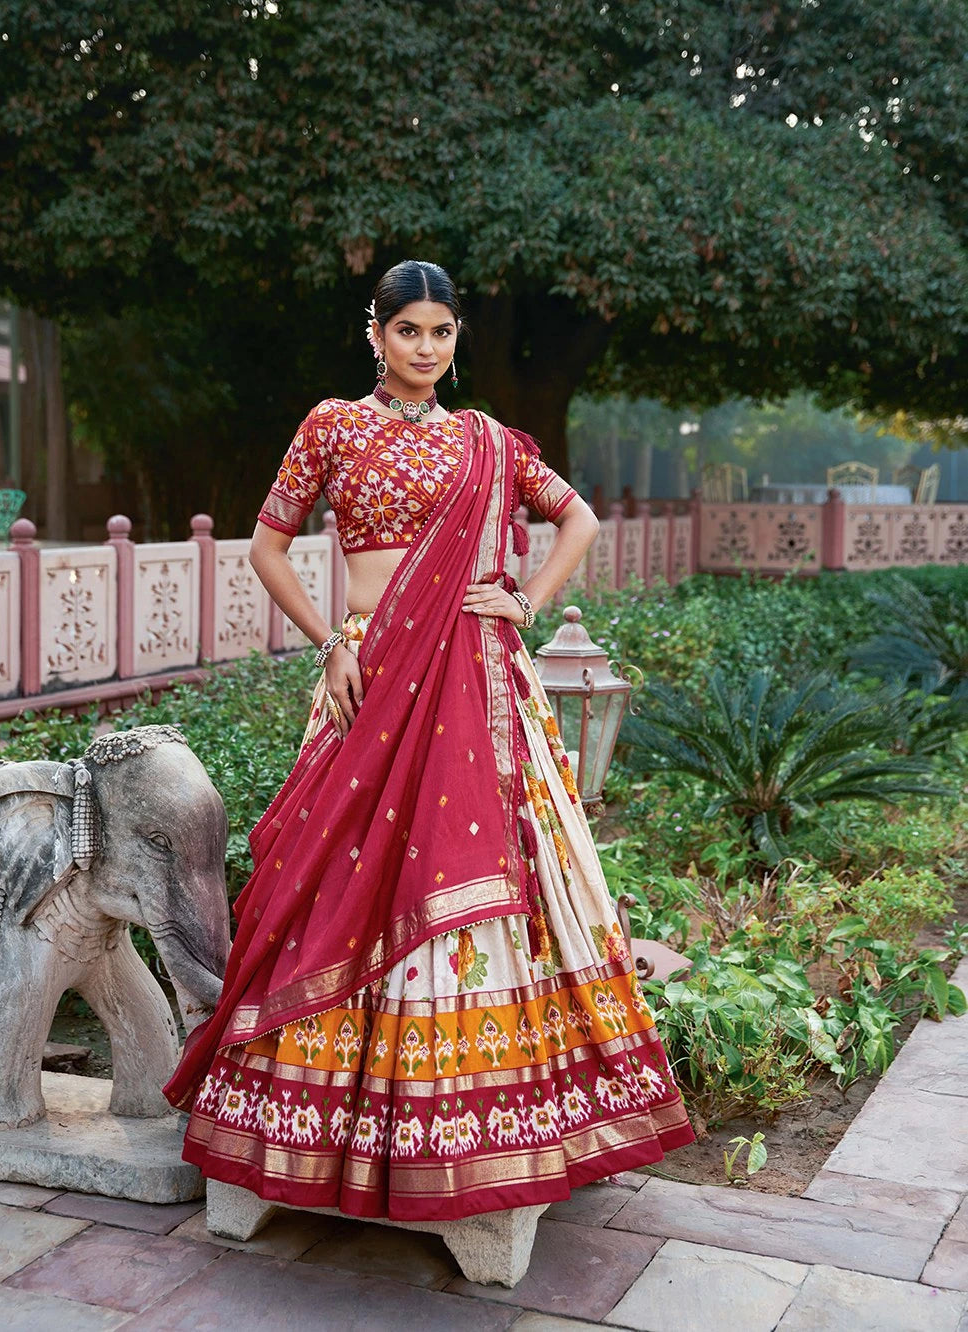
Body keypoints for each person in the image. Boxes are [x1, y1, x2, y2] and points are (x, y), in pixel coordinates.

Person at [164, 259, 694, 1221]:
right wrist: (329, 641)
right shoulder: (333, 425)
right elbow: (266, 547)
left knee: (493, 873)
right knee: (340, 874)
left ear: (456, 342)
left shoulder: (488, 441)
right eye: (407, 329)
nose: (424, 347)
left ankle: (491, 1125)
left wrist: (526, 601)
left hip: (478, 678)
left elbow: (576, 518)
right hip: (369, 672)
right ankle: (319, 1132)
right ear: (375, 334)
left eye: (440, 332)